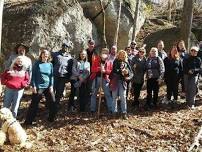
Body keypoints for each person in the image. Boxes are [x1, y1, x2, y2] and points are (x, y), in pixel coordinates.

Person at [24, 49, 57, 125]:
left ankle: (51, 119)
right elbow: (33, 75)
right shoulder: (37, 63)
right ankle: (28, 122)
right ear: (41, 55)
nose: (45, 55)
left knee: (53, 102)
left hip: (48, 86)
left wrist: (51, 85)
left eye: (47, 54)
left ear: (48, 56)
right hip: (39, 87)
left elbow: (51, 76)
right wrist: (34, 86)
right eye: (44, 53)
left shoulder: (50, 64)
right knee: (34, 105)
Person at [110, 50, 133, 119]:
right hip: (115, 81)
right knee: (114, 97)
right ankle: (114, 112)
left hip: (122, 82)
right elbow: (114, 70)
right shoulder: (115, 61)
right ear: (118, 55)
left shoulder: (126, 62)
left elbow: (131, 73)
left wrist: (127, 74)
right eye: (120, 54)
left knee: (123, 97)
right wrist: (121, 71)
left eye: (123, 55)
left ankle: (124, 112)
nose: (122, 56)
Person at [90, 48, 113, 113]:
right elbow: (92, 69)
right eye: (103, 52)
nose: (104, 53)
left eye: (106, 52)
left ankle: (110, 109)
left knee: (107, 94)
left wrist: (105, 71)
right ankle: (92, 109)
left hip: (105, 79)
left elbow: (111, 71)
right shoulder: (97, 59)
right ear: (101, 53)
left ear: (108, 54)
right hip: (97, 79)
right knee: (94, 94)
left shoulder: (109, 61)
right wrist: (99, 69)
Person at [52, 43, 73, 108]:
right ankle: (50, 104)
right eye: (64, 46)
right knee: (52, 90)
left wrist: (68, 77)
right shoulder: (55, 54)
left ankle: (56, 104)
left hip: (63, 76)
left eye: (66, 46)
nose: (65, 47)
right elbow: (51, 64)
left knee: (60, 91)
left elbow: (70, 68)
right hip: (55, 75)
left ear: (68, 48)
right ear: (62, 46)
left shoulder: (69, 57)